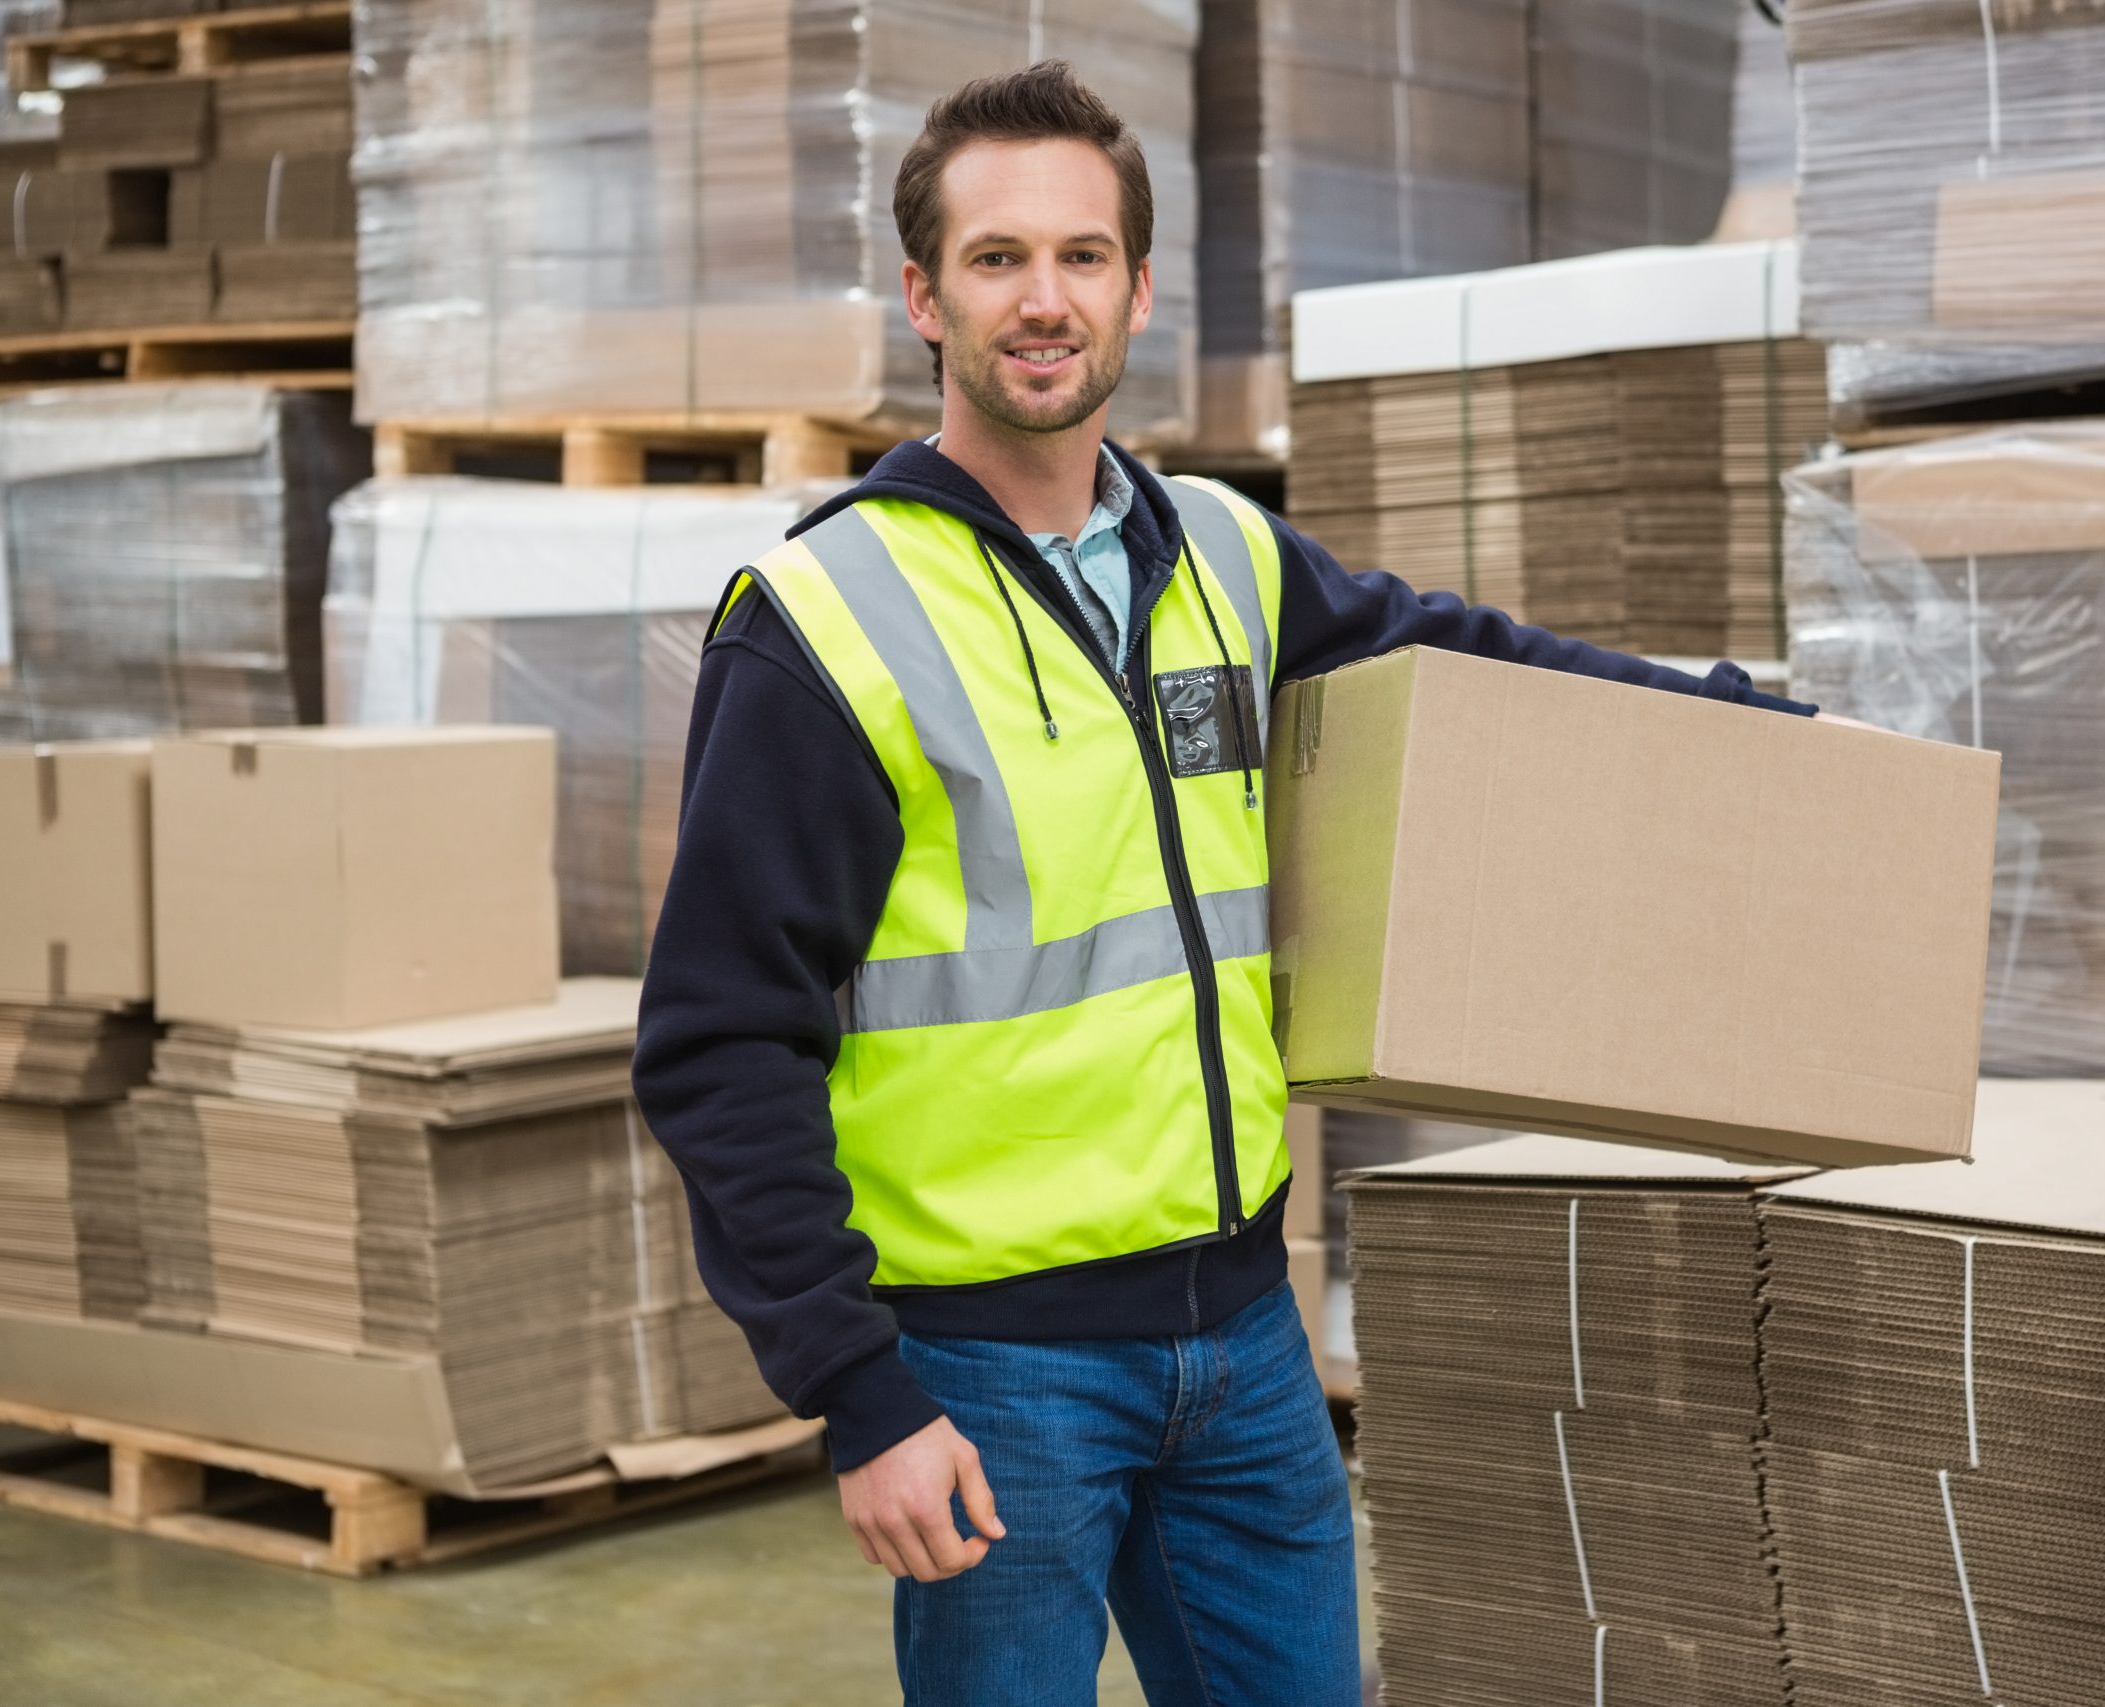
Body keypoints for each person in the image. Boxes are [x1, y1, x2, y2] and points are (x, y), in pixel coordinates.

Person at [632, 59, 1821, 1707]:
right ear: (924, 296)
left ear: (1135, 286)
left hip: (1245, 1338)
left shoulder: (1224, 555)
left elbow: (1478, 666)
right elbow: (718, 1040)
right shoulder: (826, 619)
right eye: (996, 260)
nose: (1044, 301)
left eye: (1082, 256)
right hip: (994, 1374)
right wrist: (862, 1395)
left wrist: (1728, 721)